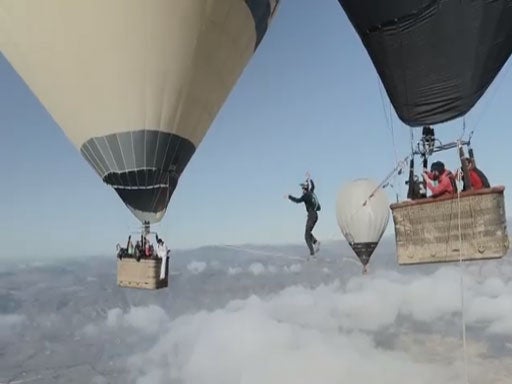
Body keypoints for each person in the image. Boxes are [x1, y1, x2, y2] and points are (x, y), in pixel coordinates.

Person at [286, 172, 321, 258]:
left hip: (312, 215)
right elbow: (313, 186)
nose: (302, 190)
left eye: (302, 188)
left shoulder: (305, 195)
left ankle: (312, 254)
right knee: (308, 233)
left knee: (306, 236)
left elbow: (298, 200)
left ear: (304, 189)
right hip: (314, 215)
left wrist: (289, 196)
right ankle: (316, 243)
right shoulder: (311, 192)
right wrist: (310, 179)